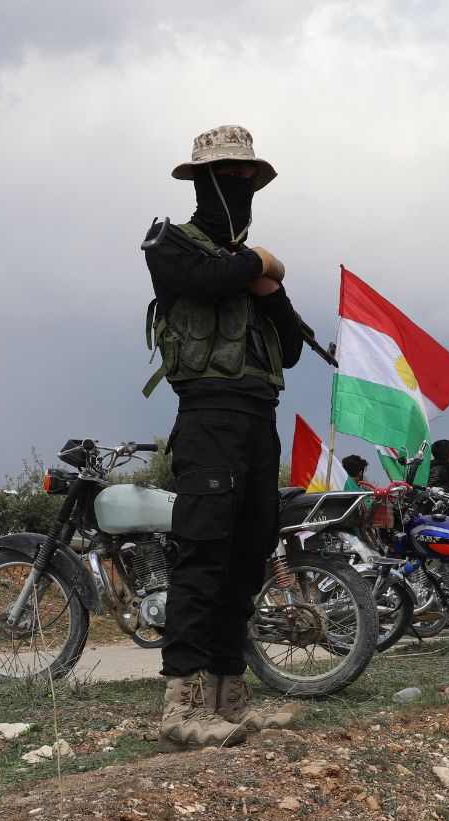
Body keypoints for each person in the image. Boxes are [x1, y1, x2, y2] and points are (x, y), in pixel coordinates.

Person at [141, 124, 306, 750]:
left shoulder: (244, 264)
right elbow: (206, 282)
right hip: (208, 418)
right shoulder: (169, 243)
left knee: (245, 557)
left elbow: (289, 347)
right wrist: (260, 263)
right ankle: (180, 704)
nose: (243, 188)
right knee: (203, 556)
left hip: (260, 422)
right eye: (232, 177)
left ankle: (228, 698)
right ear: (205, 180)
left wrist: (271, 282)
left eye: (250, 178)